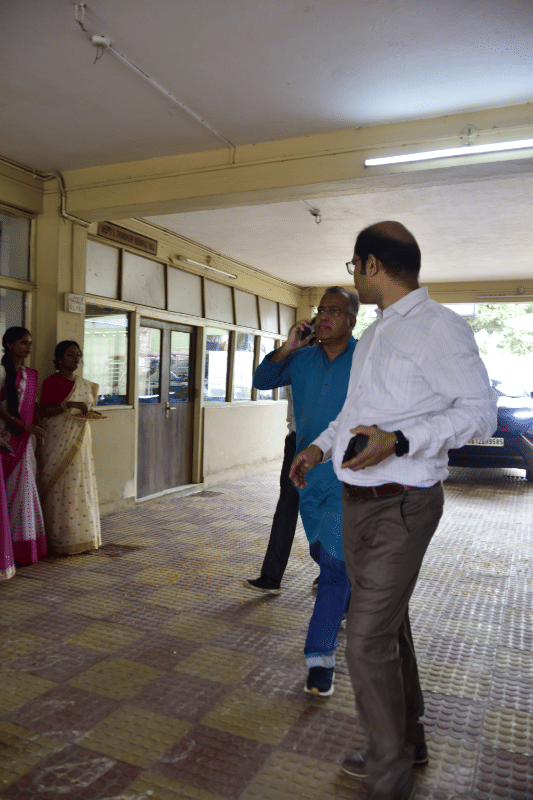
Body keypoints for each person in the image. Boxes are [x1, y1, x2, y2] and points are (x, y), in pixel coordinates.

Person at [290, 222, 497, 800]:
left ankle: (389, 774)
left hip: (404, 505)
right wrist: (317, 448)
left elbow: (482, 414)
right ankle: (411, 736)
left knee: (362, 640)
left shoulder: (440, 328)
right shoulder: (377, 335)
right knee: (389, 626)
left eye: (355, 265)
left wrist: (400, 439)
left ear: (372, 265)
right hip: (358, 504)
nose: (354, 274)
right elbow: (352, 413)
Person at [254, 287, 358, 696]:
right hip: (306, 476)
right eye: (321, 311)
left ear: (352, 320)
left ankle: (320, 657)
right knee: (323, 553)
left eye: (335, 311)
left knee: (332, 565)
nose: (324, 317)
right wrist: (287, 347)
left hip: (352, 476)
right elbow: (262, 380)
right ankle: (346, 590)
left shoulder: (367, 358)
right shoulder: (301, 359)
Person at [39, 341, 101, 555]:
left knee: (79, 485)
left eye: (78, 355)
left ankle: (80, 535)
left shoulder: (84, 383)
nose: (75, 359)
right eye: (70, 355)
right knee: (59, 486)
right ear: (58, 359)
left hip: (80, 443)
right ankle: (58, 538)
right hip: (57, 442)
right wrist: (70, 405)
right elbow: (43, 412)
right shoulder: (52, 382)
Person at [243, 387, 300, 593]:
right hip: (296, 439)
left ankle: (330, 573)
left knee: (321, 511)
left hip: (329, 443)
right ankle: (271, 576)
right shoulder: (296, 359)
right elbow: (263, 379)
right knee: (286, 507)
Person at [0, 326, 47, 564]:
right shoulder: (1, 372)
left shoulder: (31, 375)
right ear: (9, 344)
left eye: (30, 342)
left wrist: (35, 430)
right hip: (6, 440)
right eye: (23, 342)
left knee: (24, 493)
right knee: (6, 493)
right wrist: (20, 425)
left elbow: (34, 406)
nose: (28, 347)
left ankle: (22, 547)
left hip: (25, 442)